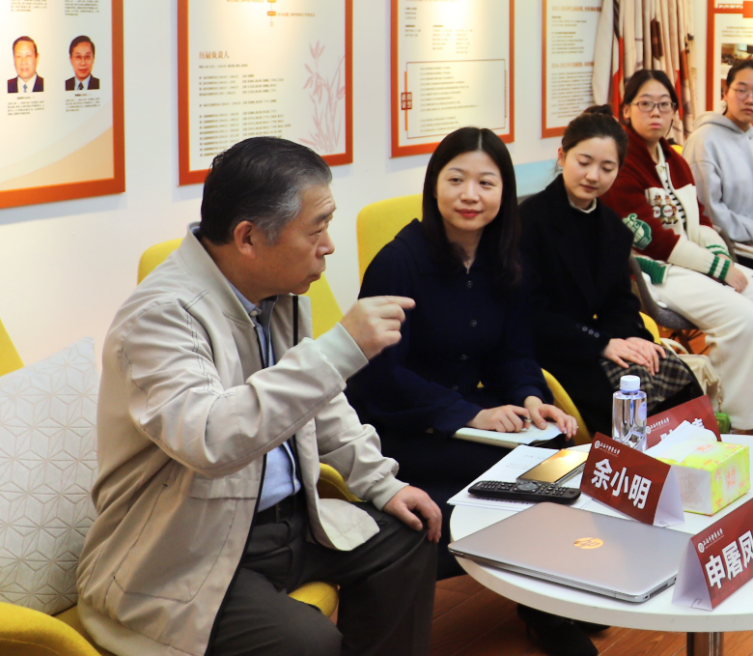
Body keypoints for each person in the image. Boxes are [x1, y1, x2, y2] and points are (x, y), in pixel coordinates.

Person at [76, 137, 441, 656]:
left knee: (409, 538)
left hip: (286, 523)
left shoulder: (279, 293)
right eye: (316, 229)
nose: (328, 245)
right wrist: (340, 349)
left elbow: (319, 404)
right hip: (185, 548)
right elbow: (209, 439)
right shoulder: (160, 316)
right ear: (248, 238)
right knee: (307, 643)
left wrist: (380, 483)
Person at [344, 127, 593, 656]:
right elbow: (381, 374)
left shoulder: (506, 258)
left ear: (505, 191)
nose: (470, 195)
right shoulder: (399, 261)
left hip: (466, 414)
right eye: (456, 180)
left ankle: (548, 599)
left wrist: (530, 397)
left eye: (486, 182)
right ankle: (541, 603)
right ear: (435, 185)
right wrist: (468, 415)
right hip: (401, 422)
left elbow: (514, 353)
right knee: (523, 474)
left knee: (554, 453)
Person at [520, 106, 702, 437]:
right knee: (625, 398)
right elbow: (530, 312)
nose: (593, 176)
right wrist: (602, 343)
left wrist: (630, 339)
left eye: (607, 168)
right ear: (562, 156)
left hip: (600, 340)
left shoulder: (613, 228)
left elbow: (620, 301)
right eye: (584, 162)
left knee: (671, 372)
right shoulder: (529, 221)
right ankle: (632, 465)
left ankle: (690, 460)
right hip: (554, 348)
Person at [601, 69, 753, 434]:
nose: (656, 112)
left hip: (691, 265)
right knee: (742, 318)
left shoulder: (673, 158)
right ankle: (736, 422)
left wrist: (720, 258)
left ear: (674, 111)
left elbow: (700, 219)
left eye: (664, 105)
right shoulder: (622, 162)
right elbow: (652, 240)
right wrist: (719, 269)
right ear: (626, 110)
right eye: (646, 104)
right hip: (654, 273)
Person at [683, 59, 753, 248]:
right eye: (742, 90)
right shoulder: (705, 141)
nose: (750, 99)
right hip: (731, 250)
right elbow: (708, 212)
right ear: (725, 93)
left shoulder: (748, 136)